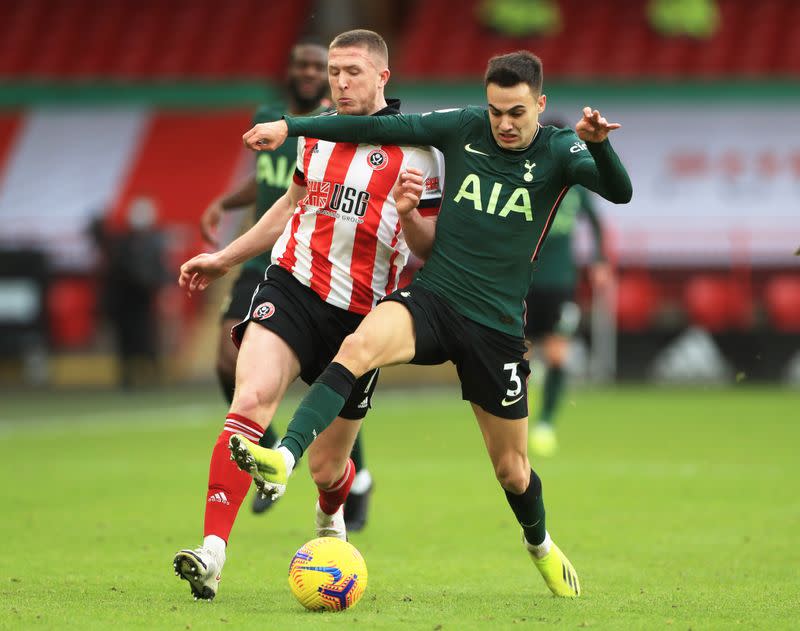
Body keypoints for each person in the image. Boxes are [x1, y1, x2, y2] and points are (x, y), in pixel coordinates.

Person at [236, 50, 633, 598]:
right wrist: (291, 125)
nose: (505, 123)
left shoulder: (561, 150)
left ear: (539, 105)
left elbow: (620, 190)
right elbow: (371, 126)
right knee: (358, 345)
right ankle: (284, 457)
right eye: (496, 110)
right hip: (435, 300)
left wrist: (598, 144)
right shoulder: (463, 126)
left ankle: (539, 544)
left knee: (512, 470)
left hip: (495, 329)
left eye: (517, 112)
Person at [173, 29, 442, 601]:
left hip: (361, 322)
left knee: (327, 468)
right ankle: (212, 552)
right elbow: (291, 205)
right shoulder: (315, 133)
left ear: (382, 77)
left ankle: (328, 519)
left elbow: (429, 249)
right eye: (335, 71)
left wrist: (411, 214)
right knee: (249, 401)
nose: (340, 83)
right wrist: (226, 257)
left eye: (353, 72)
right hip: (291, 287)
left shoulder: (419, 154)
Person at [195, 42, 379, 518]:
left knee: (328, 379)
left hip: (315, 257)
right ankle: (263, 454)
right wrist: (225, 203)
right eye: (303, 64)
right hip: (264, 254)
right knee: (225, 357)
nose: (311, 72)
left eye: (322, 67)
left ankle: (353, 478)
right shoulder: (268, 117)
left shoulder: (332, 123)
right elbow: (268, 178)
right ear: (291, 70)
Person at [525, 118, 612, 457]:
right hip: (525, 280)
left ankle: (546, 423)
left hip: (561, 282)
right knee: (522, 355)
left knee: (558, 352)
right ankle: (522, 415)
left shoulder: (576, 185)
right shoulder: (528, 181)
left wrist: (601, 260)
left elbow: (596, 223)